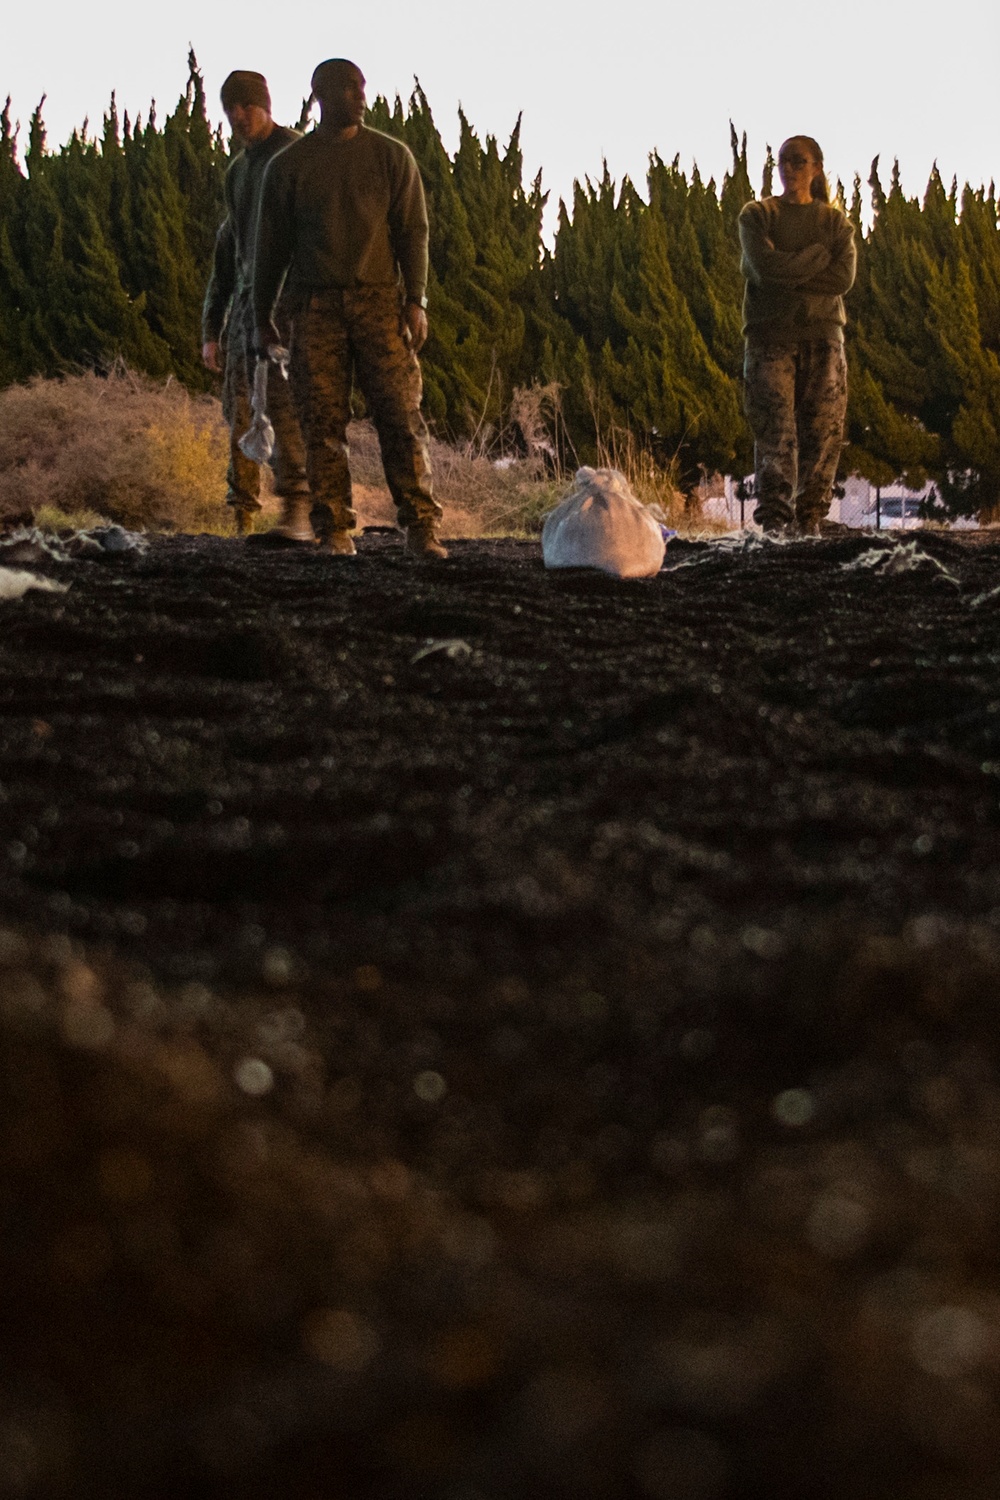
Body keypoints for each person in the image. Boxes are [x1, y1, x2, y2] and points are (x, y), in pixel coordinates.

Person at [252, 58, 447, 559]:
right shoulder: (290, 167)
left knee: (401, 419)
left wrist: (415, 300)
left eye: (362, 88)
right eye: (350, 89)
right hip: (312, 306)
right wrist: (261, 316)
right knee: (320, 424)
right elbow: (269, 248)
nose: (361, 97)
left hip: (380, 302)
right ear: (321, 95)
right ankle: (333, 529)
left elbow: (413, 232)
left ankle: (422, 528)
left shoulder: (391, 157)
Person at [202, 71, 312, 541]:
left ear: (264, 104)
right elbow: (229, 252)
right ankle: (242, 514)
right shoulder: (238, 172)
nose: (237, 115)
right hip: (247, 308)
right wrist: (212, 328)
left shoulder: (297, 154)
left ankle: (300, 509)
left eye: (245, 105)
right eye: (230, 107)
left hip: (292, 303)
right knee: (240, 412)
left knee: (286, 408)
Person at [738, 135, 857, 536]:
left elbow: (842, 278)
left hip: (824, 338)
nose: (788, 168)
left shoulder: (834, 222)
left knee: (823, 430)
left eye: (799, 161)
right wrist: (815, 258)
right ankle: (774, 524)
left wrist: (786, 269)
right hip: (770, 338)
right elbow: (764, 270)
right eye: (783, 160)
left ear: (817, 167)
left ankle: (810, 521)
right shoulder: (757, 216)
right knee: (775, 431)